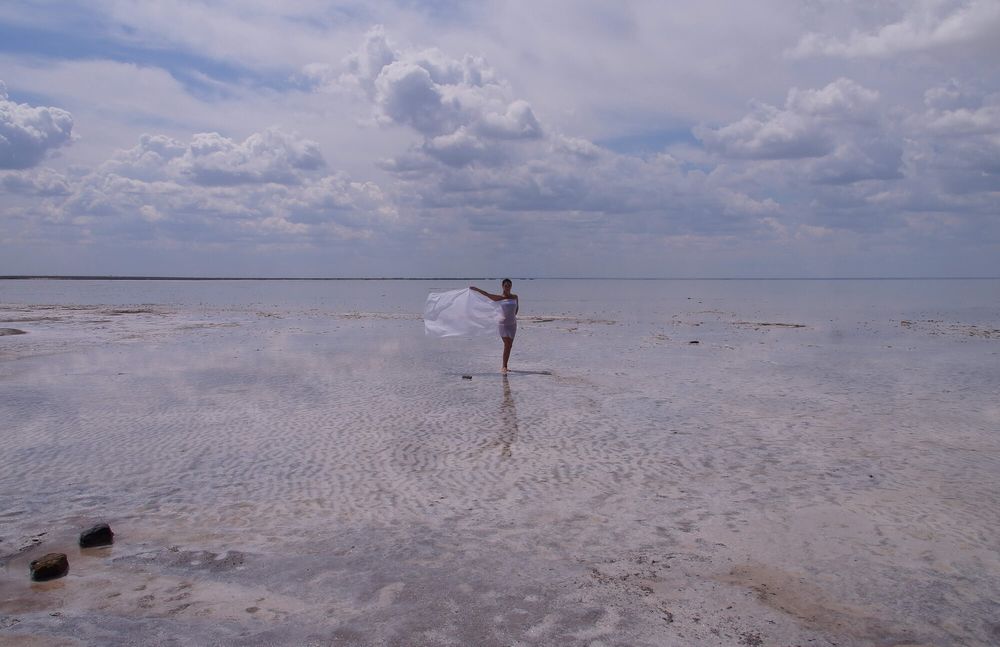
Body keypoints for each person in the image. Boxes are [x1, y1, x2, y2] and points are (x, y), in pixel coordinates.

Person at [470, 279, 518, 373]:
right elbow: (487, 294)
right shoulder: (499, 298)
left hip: (513, 324)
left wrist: (513, 317)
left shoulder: (515, 297)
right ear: (502, 286)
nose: (507, 287)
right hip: (503, 324)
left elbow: (517, 308)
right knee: (507, 344)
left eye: (509, 285)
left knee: (510, 346)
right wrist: (476, 289)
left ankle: (505, 366)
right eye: (506, 285)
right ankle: (504, 366)